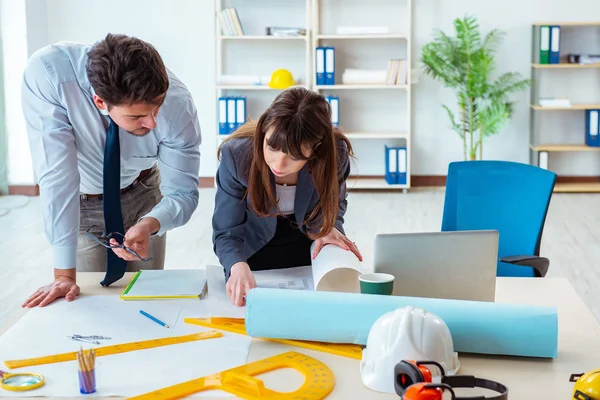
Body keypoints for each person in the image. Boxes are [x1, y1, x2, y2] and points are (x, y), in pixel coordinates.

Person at [20, 33, 202, 308]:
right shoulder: (49, 75)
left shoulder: (178, 104)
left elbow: (183, 193)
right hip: (83, 202)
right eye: (137, 116)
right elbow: (58, 177)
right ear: (100, 102)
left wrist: (149, 223)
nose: (152, 122)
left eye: (157, 107)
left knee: (149, 301)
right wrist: (63, 275)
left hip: (144, 193)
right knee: (93, 307)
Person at [212, 86, 362, 306]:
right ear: (264, 131)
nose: (279, 164)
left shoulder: (334, 154)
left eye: (294, 156)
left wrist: (329, 228)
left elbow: (334, 205)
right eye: (272, 147)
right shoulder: (236, 156)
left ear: (316, 149)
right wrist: (236, 265)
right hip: (253, 249)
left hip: (308, 246)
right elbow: (226, 231)